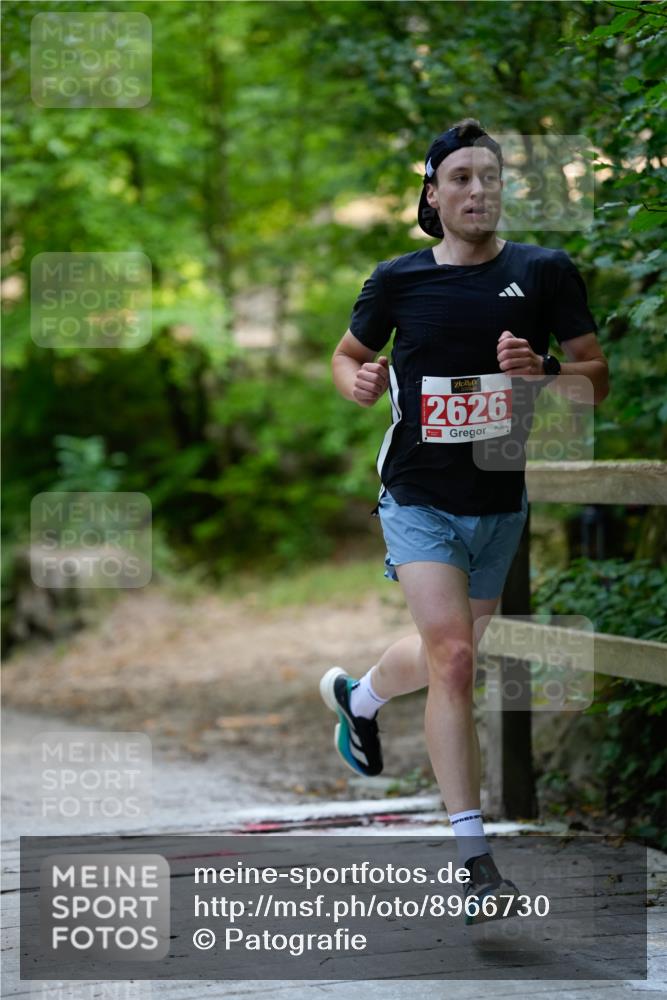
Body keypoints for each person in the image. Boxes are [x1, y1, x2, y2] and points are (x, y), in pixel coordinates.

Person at [320, 118, 609, 923]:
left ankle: (361, 698)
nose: (477, 189)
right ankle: (475, 859)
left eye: (489, 176)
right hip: (415, 492)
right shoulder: (398, 280)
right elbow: (347, 354)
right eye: (460, 178)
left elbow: (595, 379)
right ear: (432, 193)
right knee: (453, 660)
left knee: (451, 649)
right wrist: (356, 379)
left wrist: (545, 371)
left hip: (497, 497)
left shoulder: (543, 272)